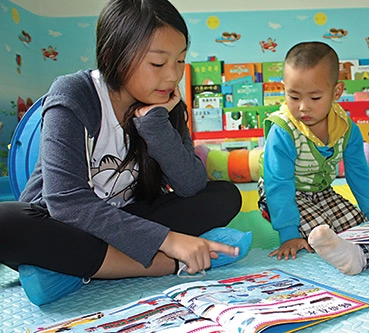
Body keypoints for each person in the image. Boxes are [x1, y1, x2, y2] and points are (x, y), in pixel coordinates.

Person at [0, 0, 242, 306]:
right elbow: (65, 202)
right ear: (116, 55)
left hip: (126, 221)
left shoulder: (167, 106)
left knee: (224, 196)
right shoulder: (74, 94)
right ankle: (162, 263)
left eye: (180, 61)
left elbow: (191, 185)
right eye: (158, 63)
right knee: (4, 220)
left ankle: (72, 270)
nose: (172, 76)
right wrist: (168, 241)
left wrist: (154, 125)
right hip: (62, 223)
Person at [258, 41, 369, 273]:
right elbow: (278, 184)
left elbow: (359, 172)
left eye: (315, 98)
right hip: (283, 192)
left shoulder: (346, 128)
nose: (303, 108)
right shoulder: (283, 130)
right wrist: (288, 233)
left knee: (357, 230)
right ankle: (286, 222)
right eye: (294, 96)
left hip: (322, 190)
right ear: (284, 88)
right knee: (320, 231)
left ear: (336, 92)